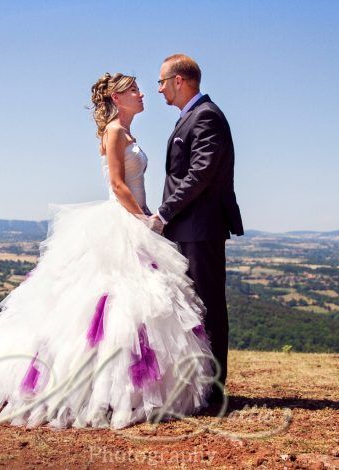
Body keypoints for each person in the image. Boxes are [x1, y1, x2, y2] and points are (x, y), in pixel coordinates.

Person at [0, 72, 215, 429]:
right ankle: (95, 391)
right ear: (117, 98)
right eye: (133, 90)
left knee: (143, 306)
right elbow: (116, 183)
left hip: (136, 220)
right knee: (110, 306)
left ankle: (132, 389)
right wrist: (145, 218)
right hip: (124, 220)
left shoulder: (128, 133)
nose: (142, 93)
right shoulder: (114, 132)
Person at [149, 54, 244, 404]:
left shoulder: (206, 116)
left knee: (209, 307)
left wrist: (163, 213)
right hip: (186, 229)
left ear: (179, 80)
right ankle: (197, 387)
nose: (158, 88)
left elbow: (199, 174)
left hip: (200, 230)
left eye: (161, 81)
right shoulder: (191, 116)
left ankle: (214, 392)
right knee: (191, 308)